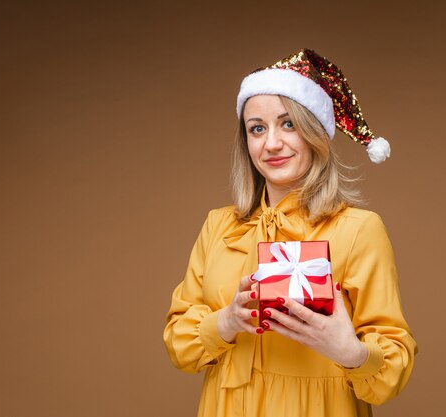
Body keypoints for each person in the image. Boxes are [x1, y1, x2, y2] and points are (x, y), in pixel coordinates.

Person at [163, 49, 417, 417]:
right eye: (257, 128)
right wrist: (228, 321)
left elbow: (392, 372)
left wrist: (350, 352)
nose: (271, 144)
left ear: (316, 133)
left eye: (288, 124)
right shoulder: (219, 226)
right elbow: (179, 348)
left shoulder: (360, 230)